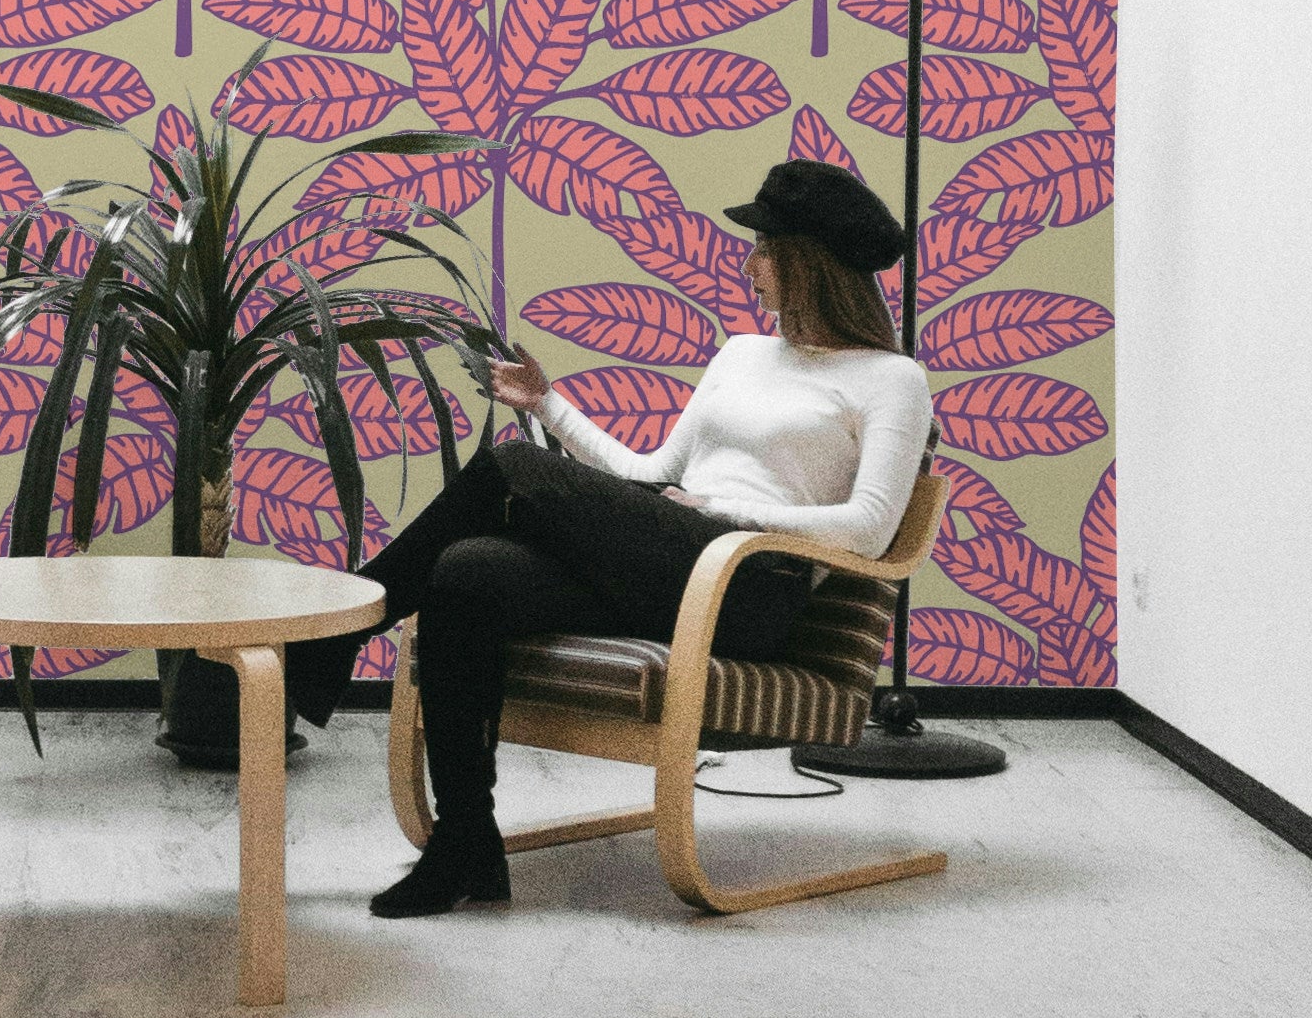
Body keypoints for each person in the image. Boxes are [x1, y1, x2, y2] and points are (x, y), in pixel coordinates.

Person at [289, 158, 935, 918]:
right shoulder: (741, 354)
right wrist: (547, 404)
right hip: (673, 560)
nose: (750, 262)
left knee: (509, 465)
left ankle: (339, 629)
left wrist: (728, 514)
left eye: (765, 248)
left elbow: (871, 528)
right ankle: (465, 842)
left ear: (809, 261)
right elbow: (649, 473)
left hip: (749, 587)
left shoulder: (892, 379)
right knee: (467, 570)